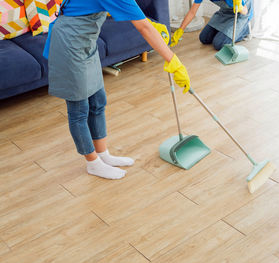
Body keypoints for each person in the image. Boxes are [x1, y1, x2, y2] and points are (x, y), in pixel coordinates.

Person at [43, 0, 191, 180]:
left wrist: (149, 23)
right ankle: (93, 163)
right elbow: (143, 28)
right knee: (79, 110)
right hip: (69, 44)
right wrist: (173, 61)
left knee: (98, 102)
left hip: (86, 42)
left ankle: (102, 154)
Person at [171, 0, 253, 50]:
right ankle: (225, 32)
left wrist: (240, 7)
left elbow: (245, 11)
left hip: (240, 15)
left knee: (219, 44)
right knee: (204, 38)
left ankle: (245, 30)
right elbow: (192, 12)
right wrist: (180, 30)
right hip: (225, 12)